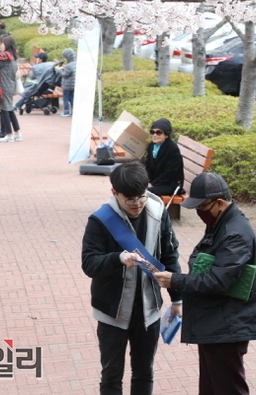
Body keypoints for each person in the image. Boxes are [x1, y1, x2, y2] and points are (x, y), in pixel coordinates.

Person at [154, 172, 256, 395]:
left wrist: (176, 280)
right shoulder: (222, 221)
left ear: (220, 202)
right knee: (211, 387)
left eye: (202, 207)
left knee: (227, 387)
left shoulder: (236, 233)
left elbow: (218, 280)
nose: (199, 213)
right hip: (216, 320)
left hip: (227, 325)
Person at [81, 161, 182, 395]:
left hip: (149, 310)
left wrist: (177, 300)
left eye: (141, 196)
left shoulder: (158, 212)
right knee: (111, 375)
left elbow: (169, 256)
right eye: (130, 199)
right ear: (114, 192)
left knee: (144, 372)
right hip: (112, 312)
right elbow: (89, 264)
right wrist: (117, 258)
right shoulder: (100, 221)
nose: (137, 204)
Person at [144, 118, 184, 196]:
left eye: (158, 132)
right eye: (152, 132)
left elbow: (169, 173)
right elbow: (148, 165)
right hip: (155, 181)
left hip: (170, 184)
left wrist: (153, 184)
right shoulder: (151, 146)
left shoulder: (172, 149)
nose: (155, 135)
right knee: (133, 186)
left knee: (144, 192)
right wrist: (147, 181)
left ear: (166, 135)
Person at [57, 48, 76, 117]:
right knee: (72, 99)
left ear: (68, 57)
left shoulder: (69, 65)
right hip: (73, 85)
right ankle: (73, 111)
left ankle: (66, 111)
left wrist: (59, 69)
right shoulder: (75, 64)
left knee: (66, 98)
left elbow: (65, 74)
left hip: (67, 86)